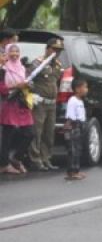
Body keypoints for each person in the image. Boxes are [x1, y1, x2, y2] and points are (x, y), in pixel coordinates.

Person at [28, 37, 65, 171]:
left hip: (52, 103)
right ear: (48, 49)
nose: (57, 52)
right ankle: (35, 159)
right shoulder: (38, 63)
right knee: (37, 132)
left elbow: (57, 82)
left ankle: (46, 158)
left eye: (59, 50)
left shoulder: (58, 65)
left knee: (49, 133)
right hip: (40, 102)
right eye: (54, 49)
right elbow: (29, 79)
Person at [0, 43, 35, 175]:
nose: (14, 54)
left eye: (17, 52)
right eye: (11, 52)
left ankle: (16, 158)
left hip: (23, 103)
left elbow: (27, 82)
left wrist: (28, 86)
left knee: (30, 133)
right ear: (7, 54)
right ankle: (4, 164)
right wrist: (17, 85)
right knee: (7, 136)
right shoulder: (3, 69)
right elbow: (2, 89)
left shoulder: (22, 68)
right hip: (9, 104)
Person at [64, 78, 88, 180]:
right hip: (74, 127)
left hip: (80, 126)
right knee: (73, 150)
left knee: (78, 150)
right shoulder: (72, 100)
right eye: (85, 87)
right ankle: (71, 171)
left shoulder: (80, 101)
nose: (87, 89)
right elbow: (70, 116)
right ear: (77, 89)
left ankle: (76, 170)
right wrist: (69, 128)